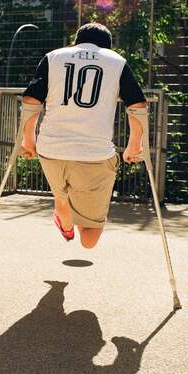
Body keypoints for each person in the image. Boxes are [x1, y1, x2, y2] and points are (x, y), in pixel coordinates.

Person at [20, 23, 147, 249]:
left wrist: (28, 139)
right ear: (107, 46)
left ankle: (62, 202)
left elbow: (31, 100)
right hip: (94, 157)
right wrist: (133, 145)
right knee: (89, 240)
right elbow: (137, 105)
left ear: (77, 41)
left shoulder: (53, 57)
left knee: (63, 196)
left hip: (50, 151)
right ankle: (68, 207)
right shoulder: (116, 62)